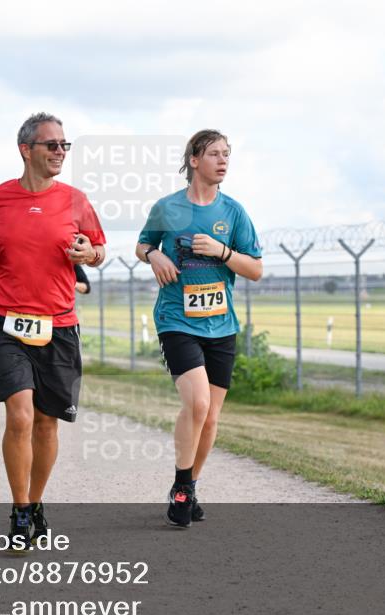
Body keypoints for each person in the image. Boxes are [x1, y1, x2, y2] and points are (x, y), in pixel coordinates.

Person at [0, 112, 106, 548]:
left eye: (65, 145)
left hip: (59, 326)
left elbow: (98, 249)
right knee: (21, 415)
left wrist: (89, 253)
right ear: (26, 150)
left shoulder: (76, 200)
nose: (60, 153)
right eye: (52, 145)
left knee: (47, 424)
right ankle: (20, 511)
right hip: (6, 323)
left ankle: (36, 500)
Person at [135, 129, 263, 528]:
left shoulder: (234, 212)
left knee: (210, 419)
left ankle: (188, 486)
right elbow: (141, 245)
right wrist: (154, 254)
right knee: (198, 404)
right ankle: (181, 486)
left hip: (221, 325)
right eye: (214, 154)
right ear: (194, 160)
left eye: (227, 154)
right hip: (176, 320)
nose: (223, 161)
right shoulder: (167, 208)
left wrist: (222, 251)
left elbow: (256, 269)